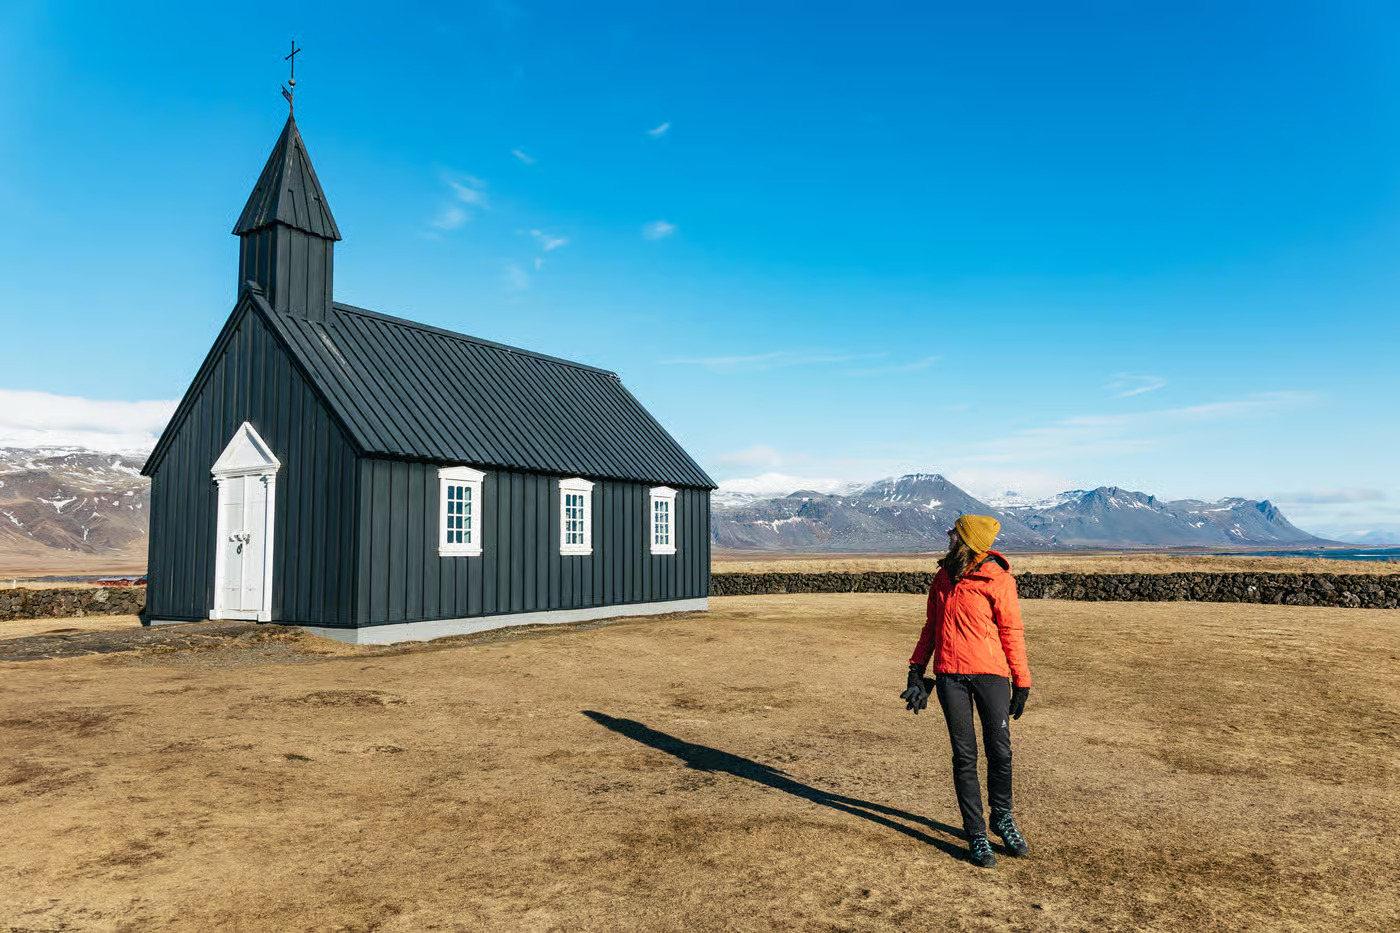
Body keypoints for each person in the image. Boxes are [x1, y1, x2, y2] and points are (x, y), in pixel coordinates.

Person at [899, 514, 1032, 868]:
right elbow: (932, 626)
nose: (948, 539)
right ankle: (975, 832)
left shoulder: (998, 580)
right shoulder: (942, 578)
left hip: (991, 676)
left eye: (953, 535)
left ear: (968, 542)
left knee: (1000, 752)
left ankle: (1002, 817)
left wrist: (1022, 680)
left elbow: (1011, 632)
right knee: (964, 757)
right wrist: (916, 671)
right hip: (950, 678)